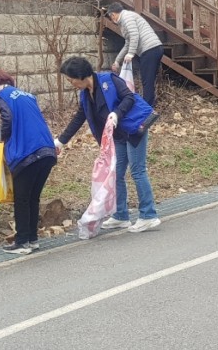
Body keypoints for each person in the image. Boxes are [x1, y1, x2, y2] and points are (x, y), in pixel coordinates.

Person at [55, 56, 161, 233]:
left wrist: (116, 114)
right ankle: (121, 215)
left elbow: (129, 97)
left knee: (137, 170)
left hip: (134, 128)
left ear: (81, 75)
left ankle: (148, 215)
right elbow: (79, 118)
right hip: (118, 135)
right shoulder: (85, 95)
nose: (70, 82)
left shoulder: (108, 80)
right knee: (116, 174)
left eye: (70, 78)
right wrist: (61, 141)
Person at [0, 69, 57, 255]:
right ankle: (32, 239)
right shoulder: (27, 95)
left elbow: (8, 119)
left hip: (27, 153)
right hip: (47, 151)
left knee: (21, 199)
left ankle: (22, 242)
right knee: (32, 197)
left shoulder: (2, 95)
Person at [105, 2, 164, 107]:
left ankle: (147, 110)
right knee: (148, 80)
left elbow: (134, 35)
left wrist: (131, 54)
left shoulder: (127, 17)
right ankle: (148, 107)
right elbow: (128, 43)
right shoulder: (124, 20)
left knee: (147, 82)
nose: (111, 20)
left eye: (110, 17)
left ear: (113, 14)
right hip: (152, 49)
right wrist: (117, 61)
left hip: (150, 49)